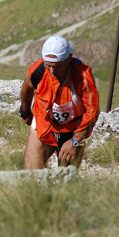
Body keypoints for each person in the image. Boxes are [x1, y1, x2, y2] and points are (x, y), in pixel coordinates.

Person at [19, 35, 99, 169]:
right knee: (31, 176)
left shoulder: (83, 76)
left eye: (57, 67)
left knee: (67, 179)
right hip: (44, 126)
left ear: (69, 58)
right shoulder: (37, 70)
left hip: (73, 132)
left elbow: (92, 111)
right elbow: (27, 87)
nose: (52, 71)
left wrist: (75, 141)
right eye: (48, 66)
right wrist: (25, 112)